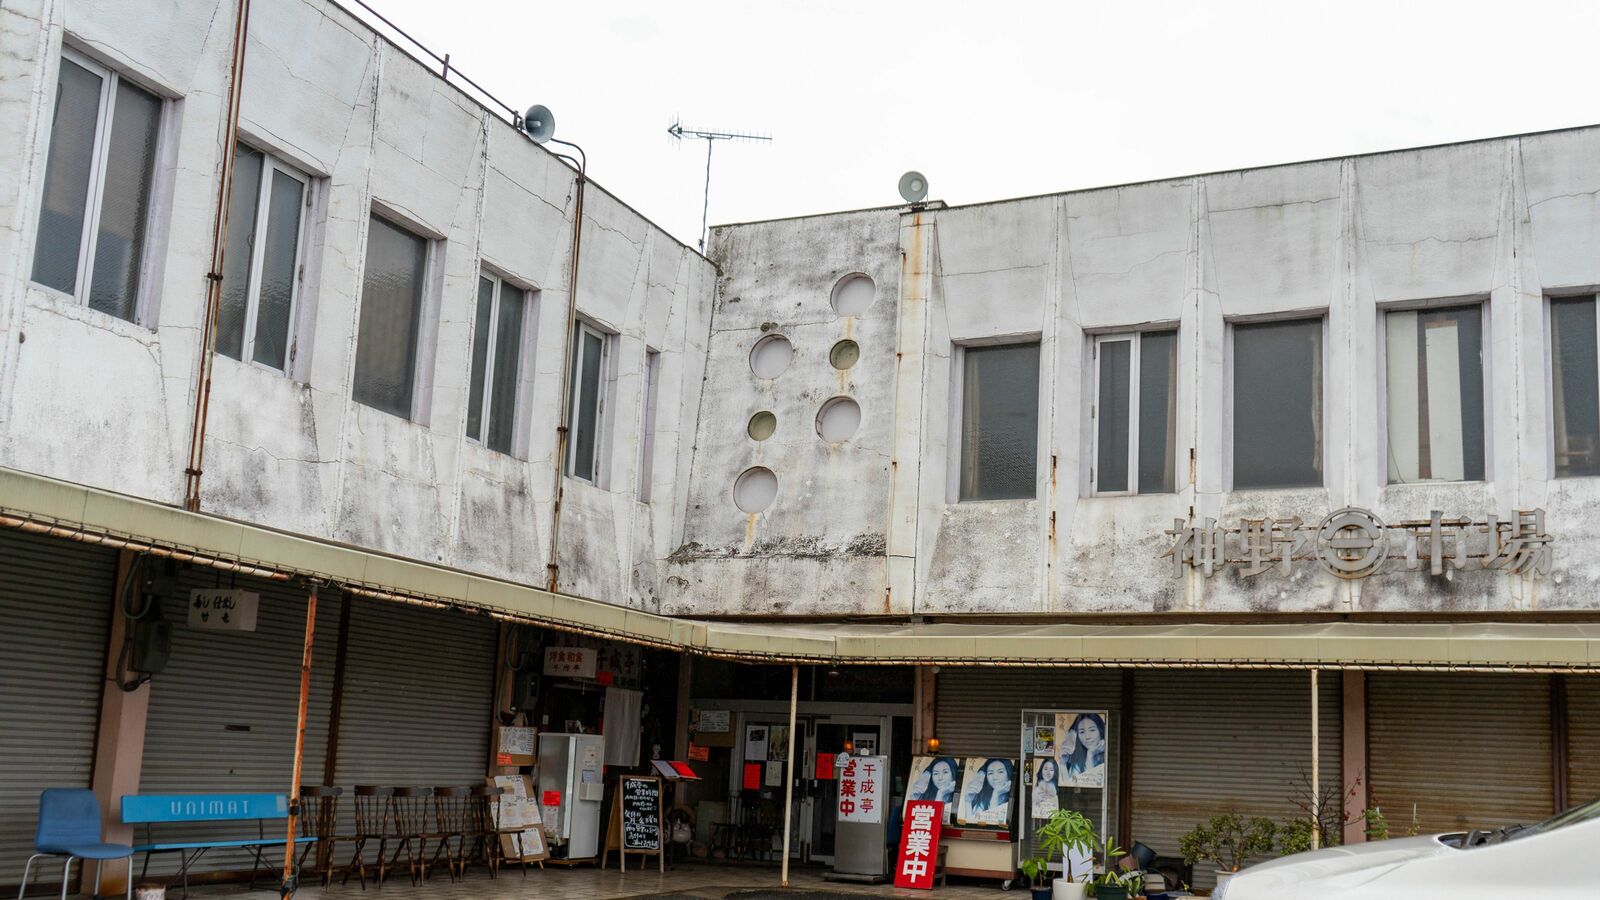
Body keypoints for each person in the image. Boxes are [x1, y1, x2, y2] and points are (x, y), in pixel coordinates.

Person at [963, 758, 1013, 825]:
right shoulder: (982, 799)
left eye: (1000, 772)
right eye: (990, 773)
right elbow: (970, 824)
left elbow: (997, 826)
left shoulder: (1015, 799)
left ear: (1009, 773)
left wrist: (996, 795)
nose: (995, 777)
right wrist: (968, 802)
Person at [1062, 713, 1107, 786]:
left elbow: (1094, 785)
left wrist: (1090, 756)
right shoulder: (1077, 761)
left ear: (1100, 730)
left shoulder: (1108, 757)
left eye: (1092, 730)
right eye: (1082, 732)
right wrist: (1062, 765)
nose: (1087, 737)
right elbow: (1070, 786)